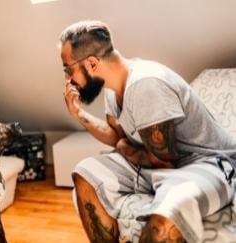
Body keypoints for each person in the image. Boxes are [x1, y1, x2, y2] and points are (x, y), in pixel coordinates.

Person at [58, 20, 236, 243]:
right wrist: (79, 114)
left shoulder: (146, 85)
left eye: (68, 69)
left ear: (92, 64)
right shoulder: (113, 89)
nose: (68, 79)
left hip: (206, 161)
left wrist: (124, 147)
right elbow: (116, 136)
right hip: (157, 161)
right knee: (85, 173)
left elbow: (164, 161)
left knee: (170, 212)